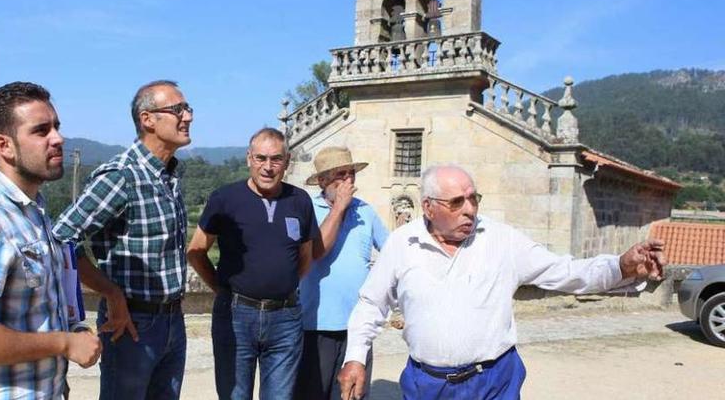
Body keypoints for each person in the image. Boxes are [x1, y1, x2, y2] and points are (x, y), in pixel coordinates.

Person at [338, 165, 666, 400]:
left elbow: (565, 272)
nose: (469, 210)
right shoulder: (401, 244)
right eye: (456, 202)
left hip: (494, 381)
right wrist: (355, 357)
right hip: (427, 385)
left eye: (473, 199)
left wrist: (621, 265)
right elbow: (371, 303)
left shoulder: (501, 239)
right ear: (428, 207)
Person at [0, 81, 101, 399]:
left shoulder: (33, 213)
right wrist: (64, 343)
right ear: (4, 146)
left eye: (56, 126)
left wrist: (70, 332)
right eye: (41, 131)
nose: (58, 138)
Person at [53, 80, 194, 400]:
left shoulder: (169, 175)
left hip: (172, 319)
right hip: (132, 324)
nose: (187, 117)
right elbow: (61, 239)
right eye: (177, 110)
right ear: (148, 119)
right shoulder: (122, 176)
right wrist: (111, 294)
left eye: (187, 108)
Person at [187, 128, 321, 400]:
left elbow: (305, 256)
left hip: (286, 319)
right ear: (249, 158)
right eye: (261, 158)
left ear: (288, 160)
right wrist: (221, 289)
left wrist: (282, 284)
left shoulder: (300, 201)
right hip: (236, 316)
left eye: (276, 159)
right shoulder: (225, 199)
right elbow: (196, 251)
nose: (268, 167)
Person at [295, 146, 389, 400]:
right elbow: (317, 251)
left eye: (351, 173)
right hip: (314, 326)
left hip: (357, 326)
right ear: (323, 180)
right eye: (341, 174)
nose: (349, 180)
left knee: (352, 395)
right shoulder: (307, 209)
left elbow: (392, 253)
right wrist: (339, 208)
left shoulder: (365, 211)